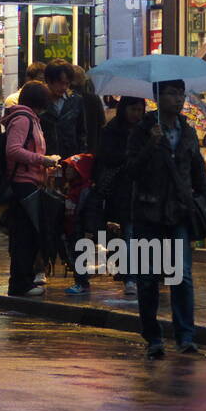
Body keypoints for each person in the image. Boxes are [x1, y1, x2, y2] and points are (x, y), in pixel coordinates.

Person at [127, 79, 206, 359]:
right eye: (172, 94)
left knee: (182, 276)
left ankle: (186, 336)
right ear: (158, 96)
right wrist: (151, 145)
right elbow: (130, 171)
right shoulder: (143, 130)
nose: (178, 99)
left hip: (178, 212)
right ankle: (153, 337)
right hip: (148, 213)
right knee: (148, 279)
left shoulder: (187, 131)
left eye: (181, 94)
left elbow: (198, 174)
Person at [2, 81, 58, 298]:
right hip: (22, 183)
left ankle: (24, 280)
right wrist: (42, 160)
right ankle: (20, 283)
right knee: (25, 235)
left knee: (30, 234)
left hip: (31, 182)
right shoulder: (23, 119)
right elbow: (13, 150)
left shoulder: (30, 119)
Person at [87, 96, 146, 298]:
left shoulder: (146, 130)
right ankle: (130, 277)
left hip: (140, 189)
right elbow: (105, 157)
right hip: (119, 190)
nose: (137, 114)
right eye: (133, 109)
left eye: (140, 110)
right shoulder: (111, 130)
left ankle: (133, 274)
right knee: (128, 232)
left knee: (133, 233)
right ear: (124, 109)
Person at [41, 62, 86, 159]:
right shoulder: (39, 100)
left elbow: (81, 133)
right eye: (60, 83)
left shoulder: (75, 100)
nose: (64, 87)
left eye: (67, 83)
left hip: (69, 159)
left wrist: (79, 158)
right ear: (49, 80)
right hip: (45, 158)